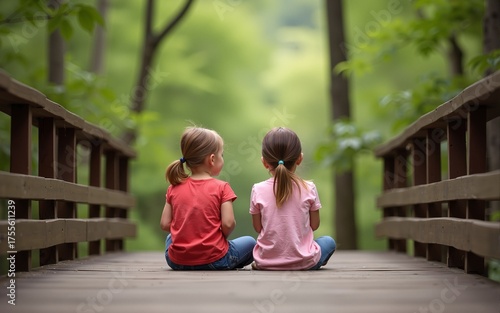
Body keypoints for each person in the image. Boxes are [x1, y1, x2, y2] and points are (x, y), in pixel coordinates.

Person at [160, 126, 256, 270]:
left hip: (178, 262)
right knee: (250, 242)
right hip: (216, 259)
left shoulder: (174, 188)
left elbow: (165, 224)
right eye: (221, 155)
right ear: (212, 159)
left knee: (170, 238)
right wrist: (215, 237)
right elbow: (228, 224)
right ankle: (225, 263)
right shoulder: (222, 187)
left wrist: (186, 230)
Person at [249, 127, 336, 270]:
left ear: (264, 162)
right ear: (299, 158)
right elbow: (314, 225)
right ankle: (309, 261)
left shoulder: (257, 189)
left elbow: (258, 227)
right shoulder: (309, 187)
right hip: (304, 262)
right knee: (328, 242)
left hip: (266, 262)